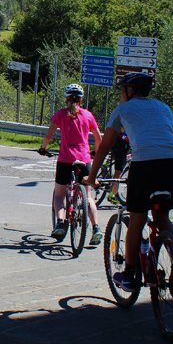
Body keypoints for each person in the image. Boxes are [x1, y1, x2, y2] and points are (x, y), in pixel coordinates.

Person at [86, 71, 173, 291]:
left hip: (146, 165)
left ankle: (130, 274)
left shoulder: (123, 110)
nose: (121, 93)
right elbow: (169, 135)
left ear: (129, 91)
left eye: (122, 89)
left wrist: (92, 177)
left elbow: (105, 146)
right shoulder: (164, 107)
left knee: (138, 219)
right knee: (161, 216)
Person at [39, 83, 103, 245]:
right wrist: (95, 151)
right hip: (84, 159)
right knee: (88, 196)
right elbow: (98, 138)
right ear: (81, 100)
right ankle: (96, 228)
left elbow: (49, 135)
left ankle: (60, 223)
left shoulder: (61, 114)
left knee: (59, 194)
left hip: (66, 159)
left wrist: (43, 148)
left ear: (67, 99)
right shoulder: (88, 115)